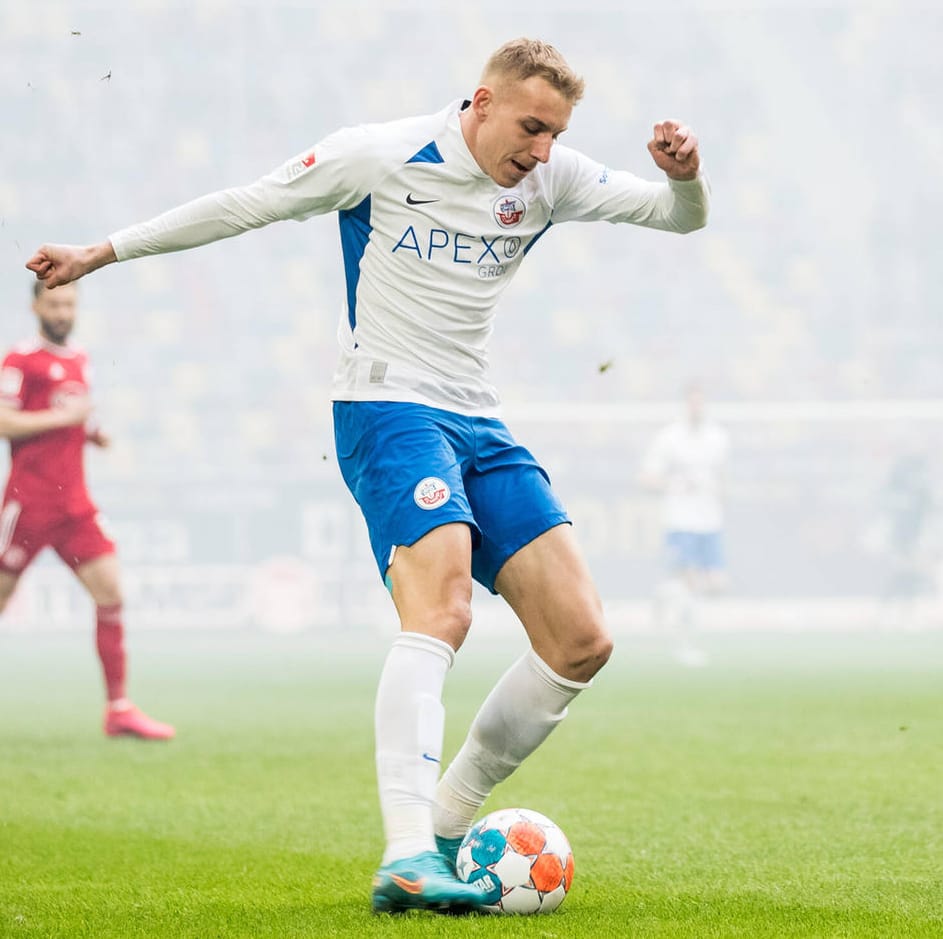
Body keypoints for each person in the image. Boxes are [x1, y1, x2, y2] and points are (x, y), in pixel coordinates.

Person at [27, 38, 707, 912]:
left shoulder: (552, 176)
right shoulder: (383, 155)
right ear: (482, 102)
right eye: (531, 127)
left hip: (478, 417)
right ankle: (406, 852)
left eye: (556, 133)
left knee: (581, 638)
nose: (542, 151)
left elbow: (679, 218)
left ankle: (450, 822)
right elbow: (246, 205)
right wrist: (101, 252)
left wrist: (685, 175)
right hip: (386, 407)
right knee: (444, 609)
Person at [0, 283, 175, 741]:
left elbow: (78, 415)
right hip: (28, 502)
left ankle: (118, 709)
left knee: (111, 590)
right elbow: (4, 421)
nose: (62, 312)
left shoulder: (80, 359)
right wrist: (64, 420)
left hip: (74, 503)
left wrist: (94, 433)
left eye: (69, 304)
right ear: (35, 305)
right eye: (54, 304)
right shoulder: (20, 360)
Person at [640, 384, 729, 666]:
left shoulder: (718, 437)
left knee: (715, 585)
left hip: (710, 520)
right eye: (692, 402)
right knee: (689, 584)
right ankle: (685, 645)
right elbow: (647, 477)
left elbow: (724, 477)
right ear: (685, 404)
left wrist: (717, 490)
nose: (696, 407)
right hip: (680, 520)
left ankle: (663, 594)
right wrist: (676, 484)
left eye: (700, 402)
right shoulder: (669, 438)